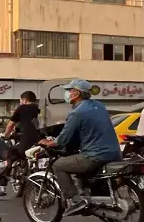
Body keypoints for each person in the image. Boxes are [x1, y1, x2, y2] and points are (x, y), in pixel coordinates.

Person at [39, 79, 121, 216]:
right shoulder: (99, 106)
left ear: (76, 93)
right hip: (115, 153)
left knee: (59, 165)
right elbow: (87, 130)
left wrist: (49, 143)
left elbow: (63, 139)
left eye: (69, 91)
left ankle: (75, 200)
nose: (67, 94)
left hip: (95, 155)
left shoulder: (77, 112)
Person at [3, 91, 41, 164]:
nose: (20, 103)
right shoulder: (41, 108)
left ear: (24, 100)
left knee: (10, 153)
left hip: (27, 141)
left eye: (20, 101)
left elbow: (10, 124)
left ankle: (7, 174)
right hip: (40, 140)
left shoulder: (22, 108)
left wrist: (6, 135)